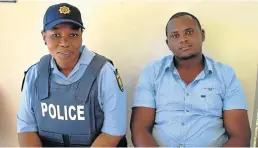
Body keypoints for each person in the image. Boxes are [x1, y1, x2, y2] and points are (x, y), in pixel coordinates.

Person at [130, 12, 251, 147]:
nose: (183, 39)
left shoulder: (225, 75)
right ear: (168, 43)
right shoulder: (152, 73)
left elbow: (240, 136)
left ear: (202, 35)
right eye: (175, 36)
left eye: (189, 32)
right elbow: (140, 129)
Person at [17, 3, 127, 147]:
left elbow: (113, 132)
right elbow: (26, 129)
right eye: (55, 35)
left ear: (81, 35)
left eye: (73, 35)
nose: (64, 43)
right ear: (44, 37)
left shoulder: (104, 72)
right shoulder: (34, 74)